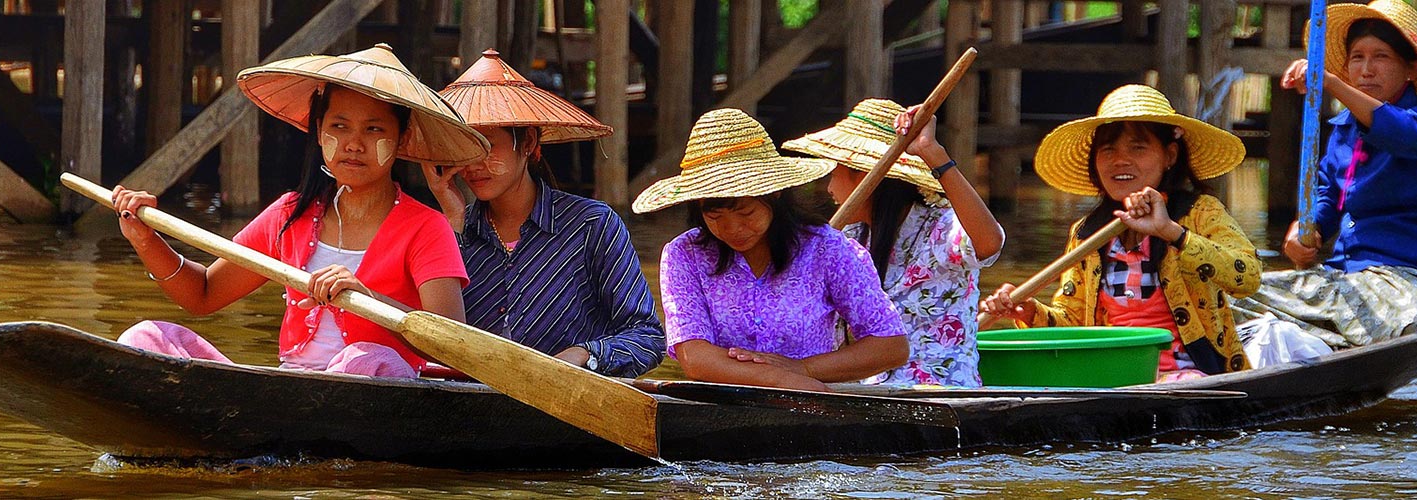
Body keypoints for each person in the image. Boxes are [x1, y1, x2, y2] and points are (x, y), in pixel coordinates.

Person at [108, 44, 488, 378]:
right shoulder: (291, 213)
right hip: (293, 386)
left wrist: (371, 301)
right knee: (146, 338)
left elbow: (454, 349)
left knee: (364, 359)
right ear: (320, 131)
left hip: (375, 385)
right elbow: (202, 294)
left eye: (374, 130)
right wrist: (145, 240)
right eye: (339, 127)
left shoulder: (426, 227)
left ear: (401, 138)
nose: (353, 144)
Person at [980, 85, 1261, 381]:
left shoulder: (1201, 212)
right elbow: (1074, 324)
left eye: (1137, 147)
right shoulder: (1087, 233)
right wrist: (1027, 312)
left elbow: (1249, 277)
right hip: (1113, 376)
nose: (1120, 160)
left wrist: (1171, 232)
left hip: (1190, 374)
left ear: (1170, 155)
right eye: (1108, 149)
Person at [420, 50, 664, 377]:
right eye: (466, 148)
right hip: (474, 410)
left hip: (569, 410)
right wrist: (450, 219)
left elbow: (646, 337)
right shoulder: (450, 232)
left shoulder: (592, 225)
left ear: (529, 142)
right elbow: (436, 339)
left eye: (488, 146)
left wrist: (584, 354)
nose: (475, 164)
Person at [633, 108, 908, 391]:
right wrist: (781, 378)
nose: (732, 229)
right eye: (715, 218)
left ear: (774, 194)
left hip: (812, 407)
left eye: (746, 213)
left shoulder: (826, 248)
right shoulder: (684, 255)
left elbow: (890, 345)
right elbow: (696, 358)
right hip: (724, 410)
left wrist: (804, 368)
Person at [1236, 0, 1417, 347]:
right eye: (1357, 57)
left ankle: (1333, 334)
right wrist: (1304, 231)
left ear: (1411, 66)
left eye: (1381, 57)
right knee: (1235, 296)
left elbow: (1402, 134)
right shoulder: (1342, 131)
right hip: (1345, 281)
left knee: (1412, 324)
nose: (1366, 70)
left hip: (1407, 282)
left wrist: (1332, 85)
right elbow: (1328, 198)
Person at [781, 99, 1004, 387]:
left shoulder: (940, 225)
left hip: (937, 394)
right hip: (868, 393)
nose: (829, 188)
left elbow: (989, 243)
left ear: (864, 176)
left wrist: (933, 153)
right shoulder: (848, 239)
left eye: (835, 174)